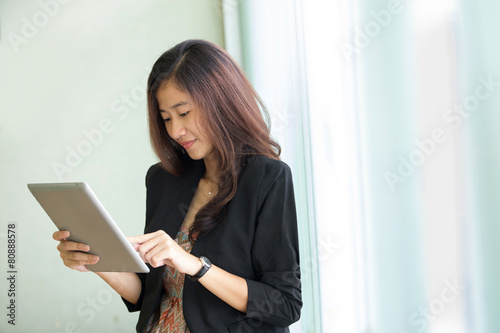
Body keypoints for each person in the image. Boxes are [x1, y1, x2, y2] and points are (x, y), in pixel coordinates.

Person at [53, 39, 302, 332]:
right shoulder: (163, 179)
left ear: (221, 101)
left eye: (183, 113)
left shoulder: (267, 179)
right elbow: (152, 296)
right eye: (166, 118)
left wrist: (195, 265)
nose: (174, 131)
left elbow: (284, 304)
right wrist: (97, 261)